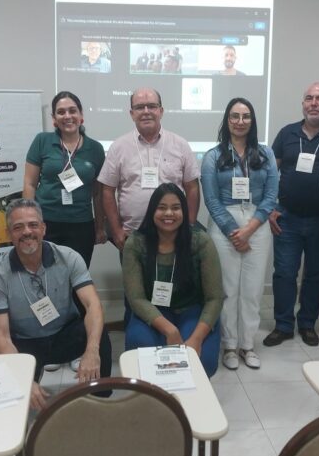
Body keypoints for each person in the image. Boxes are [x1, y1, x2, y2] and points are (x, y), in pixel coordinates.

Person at [0, 199, 112, 410]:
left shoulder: (69, 257)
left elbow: (92, 305)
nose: (27, 232)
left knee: (99, 334)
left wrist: (91, 350)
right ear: (8, 234)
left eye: (33, 225)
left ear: (43, 229)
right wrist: (23, 378)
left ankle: (102, 398)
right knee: (17, 400)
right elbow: (1, 335)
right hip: (25, 342)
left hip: (65, 333)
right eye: (18, 227)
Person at [201, 98, 278, 370]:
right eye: (235, 116)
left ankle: (248, 345)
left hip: (257, 224)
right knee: (227, 289)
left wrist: (250, 228)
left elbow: (271, 196)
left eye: (246, 116)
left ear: (252, 120)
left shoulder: (266, 154)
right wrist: (235, 232)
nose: (240, 121)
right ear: (227, 120)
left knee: (252, 290)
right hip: (224, 226)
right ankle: (230, 346)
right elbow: (210, 199)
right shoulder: (212, 156)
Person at [265, 82, 319, 347]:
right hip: (287, 217)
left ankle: (307, 323)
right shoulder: (287, 133)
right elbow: (271, 174)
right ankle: (283, 325)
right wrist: (271, 207)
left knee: (316, 274)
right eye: (309, 98)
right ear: (302, 103)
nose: (314, 103)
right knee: (284, 273)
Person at [123, 183, 223, 376]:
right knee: (143, 353)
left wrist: (196, 338)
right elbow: (136, 299)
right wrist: (169, 330)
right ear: (152, 211)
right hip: (153, 311)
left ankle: (187, 403)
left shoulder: (200, 241)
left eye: (176, 208)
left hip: (192, 310)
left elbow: (215, 298)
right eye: (161, 207)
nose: (169, 213)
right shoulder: (136, 243)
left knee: (201, 361)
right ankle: (156, 401)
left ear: (184, 211)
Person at [98, 87, 201, 252]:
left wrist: (189, 226)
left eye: (152, 106)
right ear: (132, 113)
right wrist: (116, 230)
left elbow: (192, 187)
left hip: (173, 235)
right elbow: (107, 191)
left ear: (161, 111)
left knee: (171, 278)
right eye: (139, 107)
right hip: (132, 235)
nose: (146, 112)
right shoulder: (118, 147)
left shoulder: (180, 145)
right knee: (134, 279)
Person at [24, 91, 106, 268]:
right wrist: (29, 221)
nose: (67, 116)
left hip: (81, 226)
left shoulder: (96, 149)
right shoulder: (42, 141)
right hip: (45, 224)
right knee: (44, 276)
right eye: (61, 112)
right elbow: (30, 184)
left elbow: (98, 193)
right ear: (54, 118)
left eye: (72, 111)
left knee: (77, 279)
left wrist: (100, 227)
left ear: (81, 115)